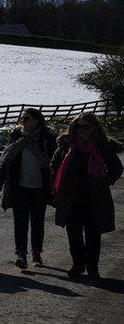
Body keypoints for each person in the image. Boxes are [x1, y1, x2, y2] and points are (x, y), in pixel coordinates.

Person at [51, 113, 122, 279]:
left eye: (86, 127)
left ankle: (92, 266)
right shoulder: (67, 145)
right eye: (78, 126)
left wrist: (104, 181)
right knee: (73, 234)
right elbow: (54, 165)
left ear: (94, 128)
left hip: (95, 198)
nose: (81, 130)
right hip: (71, 198)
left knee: (93, 235)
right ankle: (78, 263)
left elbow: (117, 168)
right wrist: (60, 183)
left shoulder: (103, 146)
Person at [0, 108, 58, 269]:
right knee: (20, 222)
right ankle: (21, 254)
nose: (23, 121)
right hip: (19, 188)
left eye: (27, 118)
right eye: (22, 119)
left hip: (40, 189)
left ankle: (36, 254)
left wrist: (57, 188)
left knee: (37, 222)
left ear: (37, 120)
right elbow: (6, 163)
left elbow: (55, 165)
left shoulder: (47, 139)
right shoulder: (16, 138)